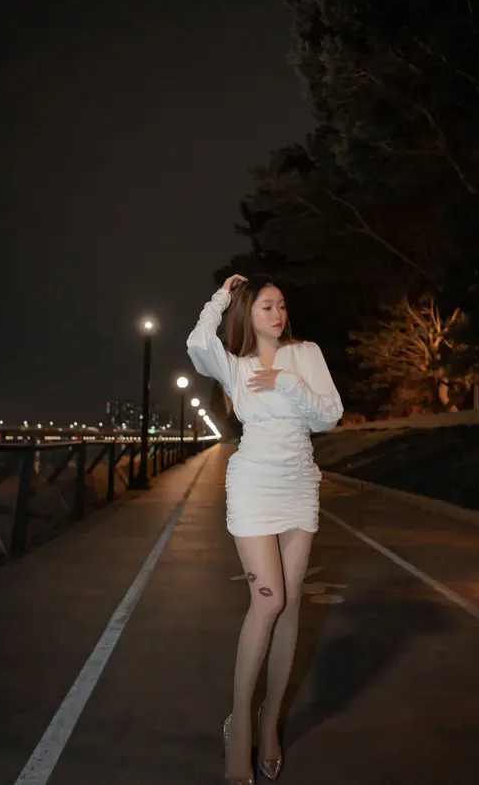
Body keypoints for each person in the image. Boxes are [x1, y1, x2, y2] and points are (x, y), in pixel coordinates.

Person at [186, 273, 343, 784]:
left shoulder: (306, 354)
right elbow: (197, 344)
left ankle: (269, 721)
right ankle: (239, 726)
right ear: (248, 315)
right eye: (266, 307)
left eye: (281, 305)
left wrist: (289, 383)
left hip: (299, 483)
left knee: (291, 604)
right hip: (253, 483)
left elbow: (330, 416)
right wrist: (221, 297)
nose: (277, 314)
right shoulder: (235, 365)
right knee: (269, 599)